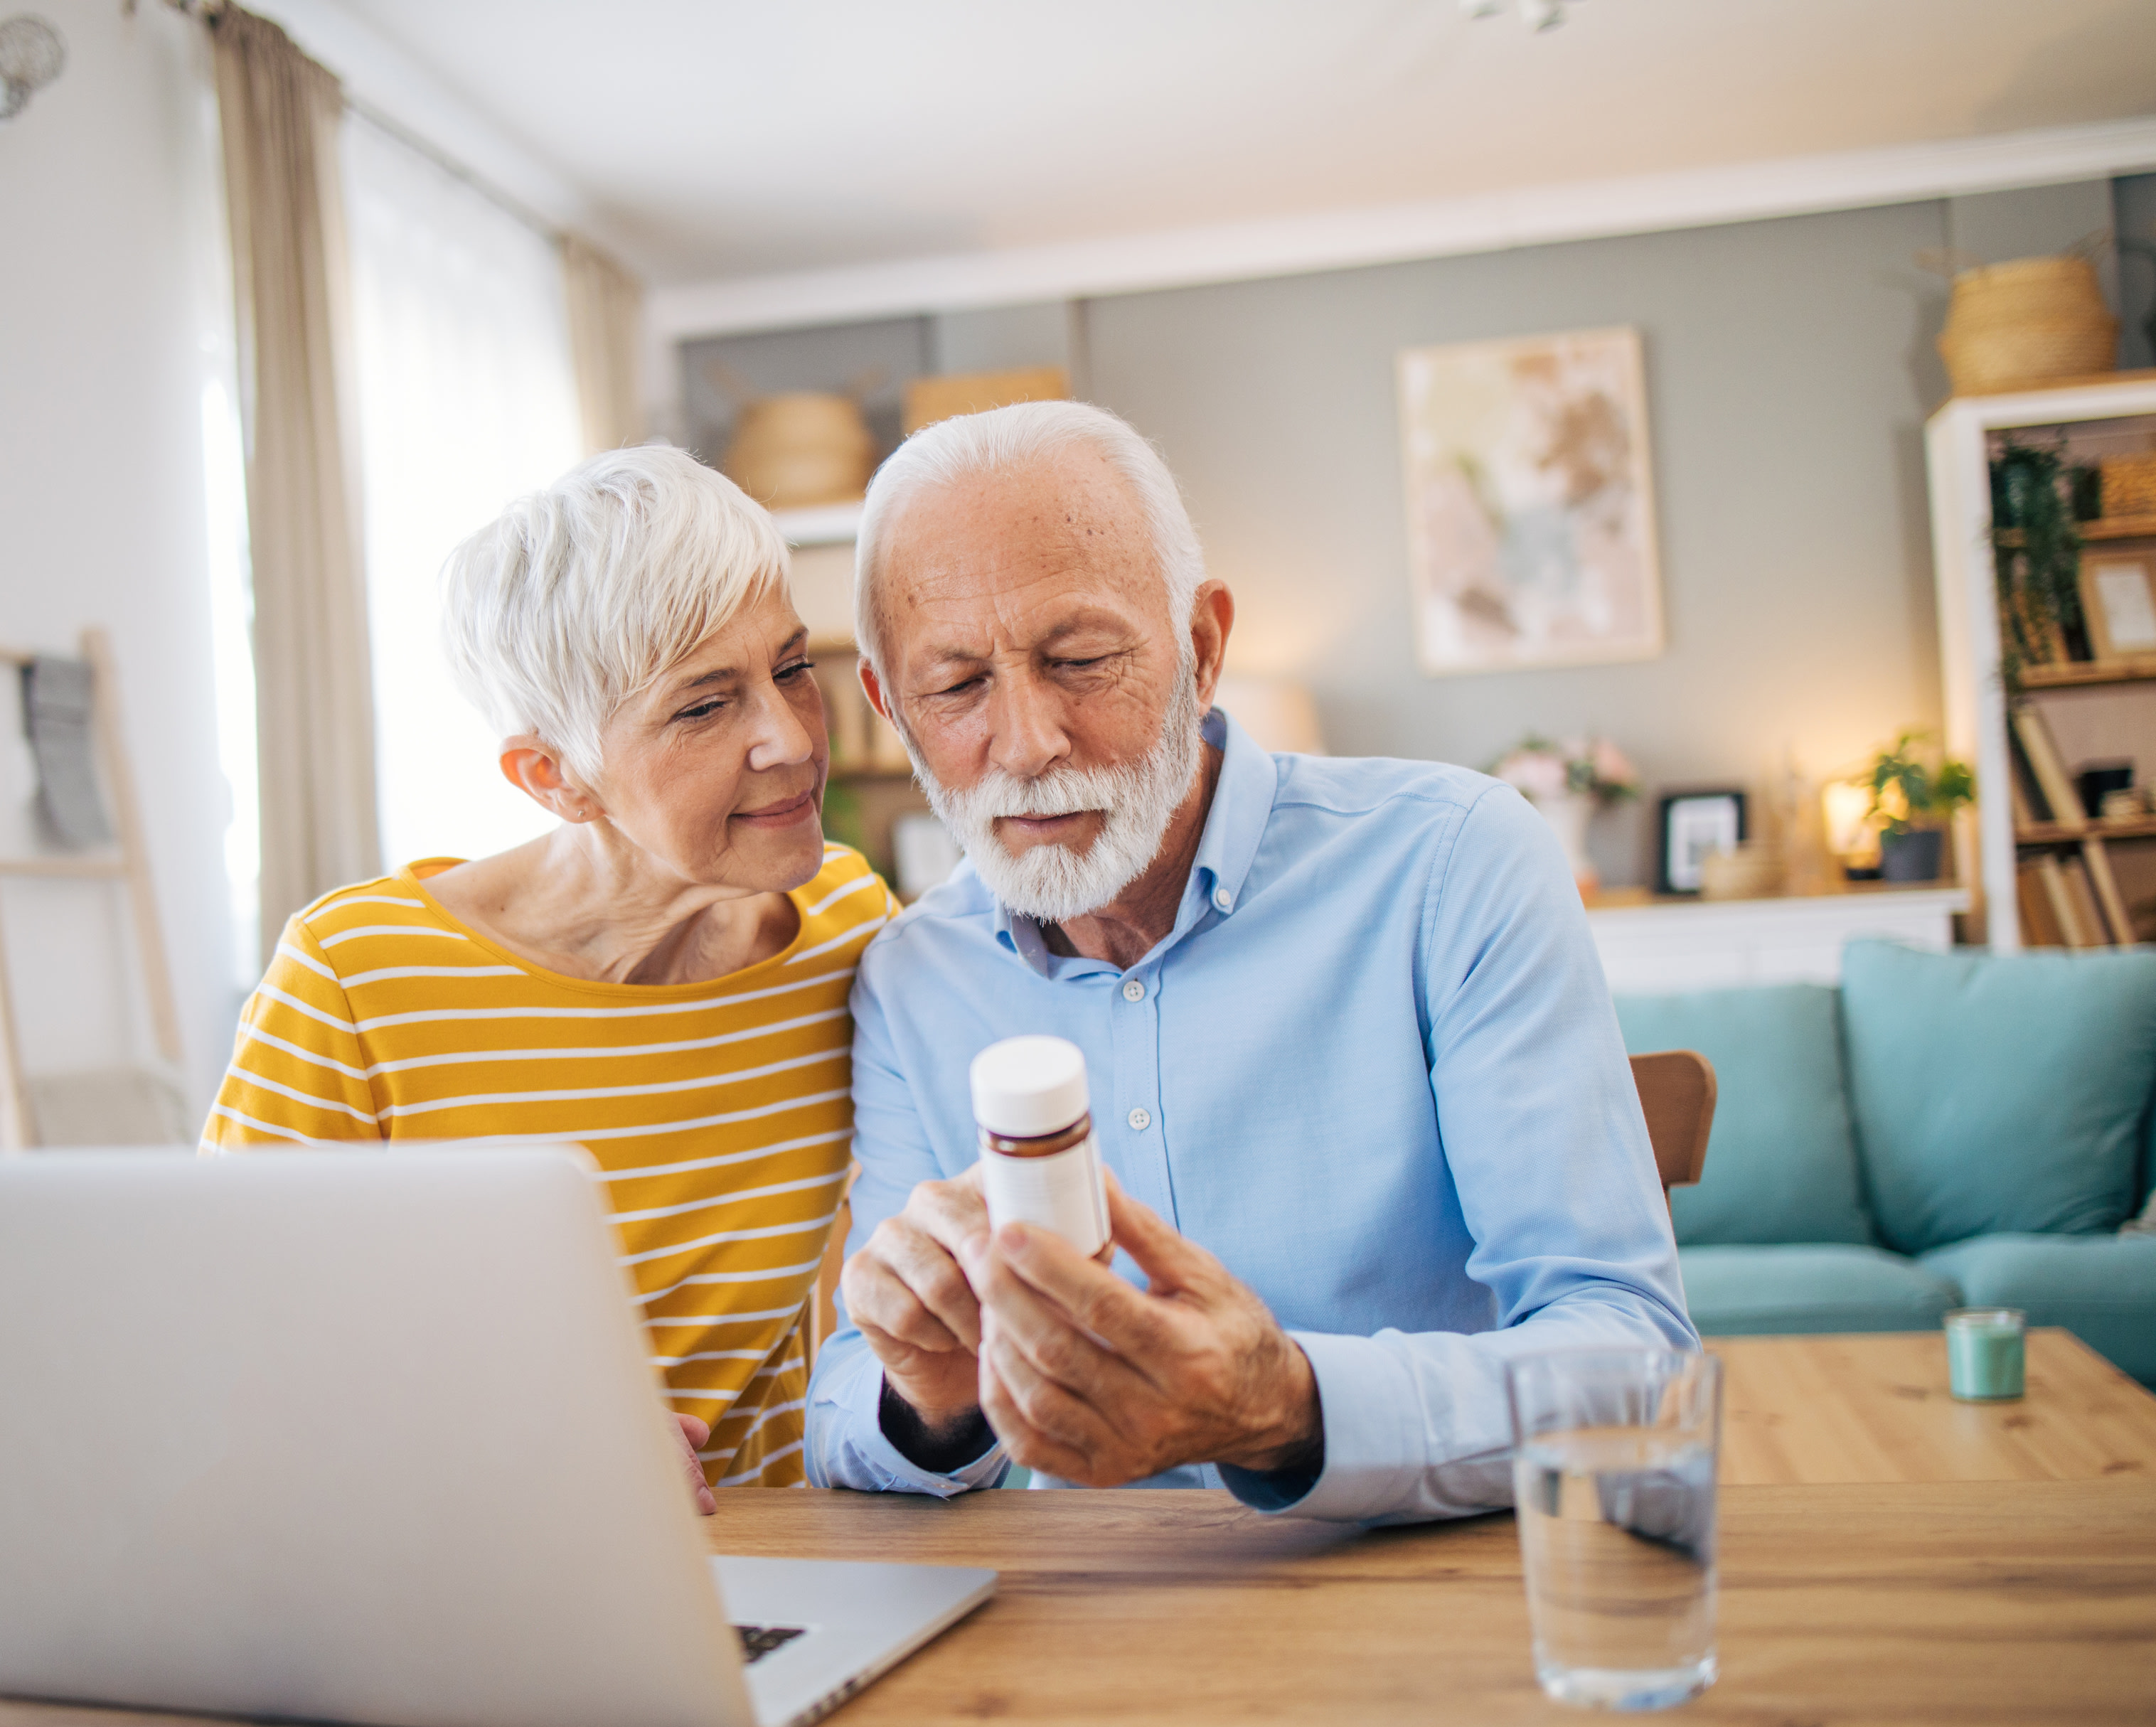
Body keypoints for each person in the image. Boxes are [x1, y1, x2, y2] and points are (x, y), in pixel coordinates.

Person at [805, 400, 1694, 1521]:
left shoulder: (1454, 863)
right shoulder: (910, 979)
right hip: (1083, 1630)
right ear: (891, 707)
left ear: (1204, 649)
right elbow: (846, 1401)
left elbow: (1633, 1361)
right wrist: (930, 1402)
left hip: (1433, 1583)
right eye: (956, 687)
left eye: (1080, 659)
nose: (1027, 743)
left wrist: (1292, 1406)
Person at [204, 445, 895, 1507]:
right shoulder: (356, 980)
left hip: (781, 1572)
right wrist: (513, 1433)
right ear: (555, 777)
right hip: (460, 1565)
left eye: (791, 667)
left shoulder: (847, 927)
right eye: (705, 707)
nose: (793, 739)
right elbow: (230, 1352)